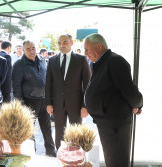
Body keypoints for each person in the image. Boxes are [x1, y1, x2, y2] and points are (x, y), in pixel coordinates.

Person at [83, 33, 143, 167]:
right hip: (107, 122)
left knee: (117, 160)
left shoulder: (115, 61)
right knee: (111, 158)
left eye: (87, 49)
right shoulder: (101, 62)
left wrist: (137, 105)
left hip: (116, 124)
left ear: (98, 46)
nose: (85, 53)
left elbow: (129, 89)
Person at [45, 34, 91, 149]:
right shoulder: (52, 60)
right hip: (57, 103)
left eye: (65, 42)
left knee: (76, 133)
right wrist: (48, 103)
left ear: (71, 43)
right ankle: (61, 155)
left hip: (76, 104)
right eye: (59, 43)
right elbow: (48, 83)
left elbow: (87, 85)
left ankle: (76, 156)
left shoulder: (81, 60)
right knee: (59, 132)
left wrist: (85, 106)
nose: (62, 45)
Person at [12, 40, 56, 157]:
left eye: (33, 48)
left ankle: (51, 152)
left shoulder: (42, 60)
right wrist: (20, 105)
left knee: (47, 128)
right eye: (28, 49)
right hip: (29, 101)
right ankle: (30, 154)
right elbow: (16, 87)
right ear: (23, 50)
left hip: (44, 100)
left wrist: (49, 99)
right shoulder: (19, 65)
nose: (32, 51)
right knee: (29, 130)